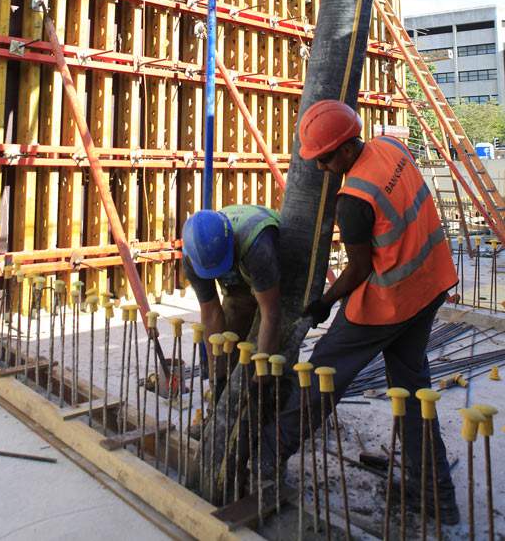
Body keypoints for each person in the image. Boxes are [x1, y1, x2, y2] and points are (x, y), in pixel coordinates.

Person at [261, 100, 460, 524]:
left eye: (327, 158)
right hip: (429, 286)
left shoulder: (353, 199)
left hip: (388, 301)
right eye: (316, 160)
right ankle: (437, 497)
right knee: (411, 395)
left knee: (320, 379)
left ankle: (264, 460)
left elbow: (360, 270)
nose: (322, 168)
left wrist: (324, 303)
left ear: (348, 148)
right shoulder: (393, 148)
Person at [182, 205, 282, 359]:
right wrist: (216, 375)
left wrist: (261, 375)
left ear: (232, 242)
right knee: (230, 350)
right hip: (243, 275)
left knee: (271, 354)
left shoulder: (257, 243)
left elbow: (271, 313)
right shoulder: (192, 258)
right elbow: (210, 314)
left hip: (276, 274)